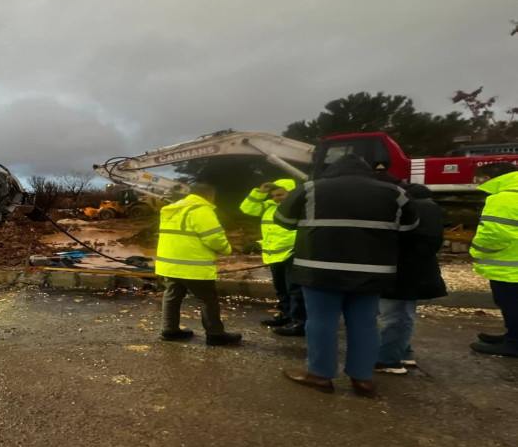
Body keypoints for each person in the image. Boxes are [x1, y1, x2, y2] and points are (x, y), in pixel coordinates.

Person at [274, 155, 418, 397]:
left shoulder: (311, 189)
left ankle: (320, 375)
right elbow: (409, 227)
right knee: (365, 323)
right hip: (371, 272)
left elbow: (282, 220)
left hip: (318, 269)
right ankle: (363, 379)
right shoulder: (395, 193)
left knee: (321, 321)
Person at [155, 182, 242, 346]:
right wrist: (227, 249)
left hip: (169, 265)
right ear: (209, 195)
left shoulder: (171, 210)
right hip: (194, 266)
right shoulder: (201, 210)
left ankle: (169, 330)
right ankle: (215, 334)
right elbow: (214, 238)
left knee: (172, 296)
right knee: (207, 299)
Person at [375, 184, 447, 374]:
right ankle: (402, 353)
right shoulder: (432, 209)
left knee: (391, 316)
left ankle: (387, 360)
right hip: (418, 272)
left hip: (399, 272)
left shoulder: (412, 210)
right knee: (404, 315)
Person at [239, 178, 307, 336]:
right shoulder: (268, 207)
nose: (277, 198)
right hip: (274, 254)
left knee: (295, 290)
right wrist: (259, 192)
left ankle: (299, 322)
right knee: (281, 289)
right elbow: (247, 208)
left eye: (281, 194)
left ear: (291, 194)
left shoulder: (298, 208)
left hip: (291, 252)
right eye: (274, 195)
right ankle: (285, 315)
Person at [468, 163, 518, 358]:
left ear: (492, 177)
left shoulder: (502, 199)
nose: (479, 183)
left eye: (481, 178)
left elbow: (493, 234)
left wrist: (477, 251)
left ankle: (514, 343)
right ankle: (512, 335)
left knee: (510, 302)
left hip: (510, 266)